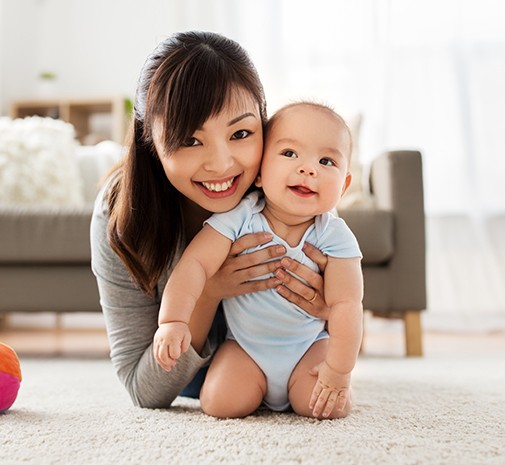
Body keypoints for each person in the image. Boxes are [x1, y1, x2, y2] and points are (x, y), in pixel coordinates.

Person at [90, 31, 331, 409]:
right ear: (149, 139)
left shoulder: (294, 188)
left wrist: (328, 306)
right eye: (189, 139)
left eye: (241, 133)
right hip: (197, 382)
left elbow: (336, 329)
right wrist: (206, 292)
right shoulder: (120, 216)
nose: (221, 164)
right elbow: (144, 390)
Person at [154, 102, 364, 419]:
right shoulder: (240, 217)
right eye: (290, 154)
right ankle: (256, 388)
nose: (309, 169)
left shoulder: (334, 235)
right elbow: (194, 265)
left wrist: (338, 369)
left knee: (326, 406)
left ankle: (315, 384)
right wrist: (172, 321)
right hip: (245, 348)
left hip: (308, 347)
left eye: (326, 161)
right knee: (219, 403)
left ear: (344, 186)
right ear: (260, 172)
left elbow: (348, 304)